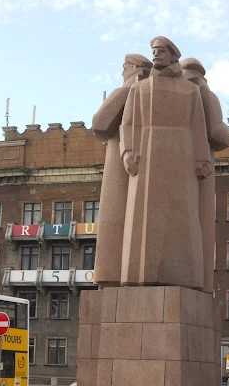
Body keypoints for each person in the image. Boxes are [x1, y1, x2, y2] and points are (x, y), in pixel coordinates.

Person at [119, 36, 211, 287]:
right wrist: (127, 152)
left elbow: (198, 128)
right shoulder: (139, 89)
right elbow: (127, 125)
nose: (156, 55)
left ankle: (184, 276)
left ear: (173, 56)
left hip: (183, 155)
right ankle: (140, 276)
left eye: (161, 51)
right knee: (143, 218)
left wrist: (202, 158)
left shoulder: (190, 90)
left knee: (183, 216)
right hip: (146, 155)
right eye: (153, 51)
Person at [92, 54, 152, 286]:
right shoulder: (152, 93)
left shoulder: (127, 90)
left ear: (135, 69)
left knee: (114, 219)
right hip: (143, 163)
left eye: (125, 67)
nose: (122, 72)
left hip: (119, 160)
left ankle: (109, 276)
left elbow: (99, 123)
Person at [181, 58, 229, 292]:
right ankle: (198, 282)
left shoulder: (182, 92)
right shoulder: (205, 94)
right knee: (198, 226)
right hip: (201, 168)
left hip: (185, 165)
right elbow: (220, 134)